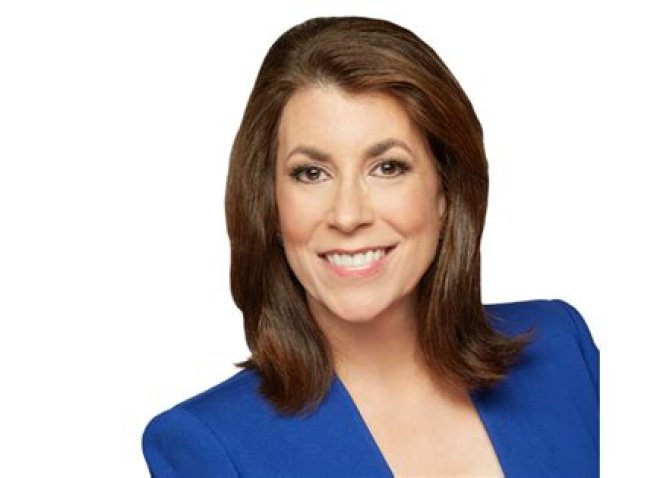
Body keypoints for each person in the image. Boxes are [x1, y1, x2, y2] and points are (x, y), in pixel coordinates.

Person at [142, 16, 599, 477]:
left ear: (445, 192)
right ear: (270, 204)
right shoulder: (208, 445)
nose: (347, 215)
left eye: (387, 167)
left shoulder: (563, 349)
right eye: (311, 173)